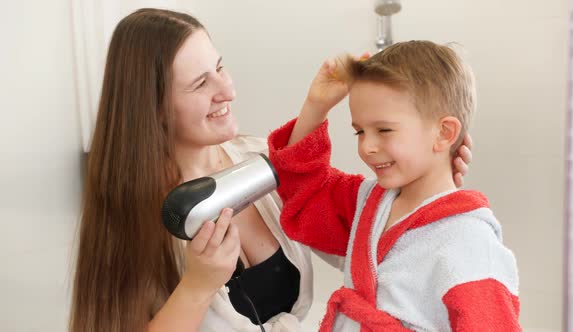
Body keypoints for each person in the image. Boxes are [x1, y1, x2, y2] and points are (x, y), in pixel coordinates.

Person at [69, 8, 473, 332]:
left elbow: (360, 235)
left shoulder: (261, 162)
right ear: (152, 106)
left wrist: (426, 186)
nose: (227, 91)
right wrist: (197, 285)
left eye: (221, 68)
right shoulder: (130, 211)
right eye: (200, 84)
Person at [267, 41, 520, 331]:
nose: (368, 147)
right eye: (359, 131)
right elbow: (306, 191)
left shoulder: (469, 242)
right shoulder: (370, 202)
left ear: (444, 132)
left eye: (384, 130)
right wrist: (317, 105)